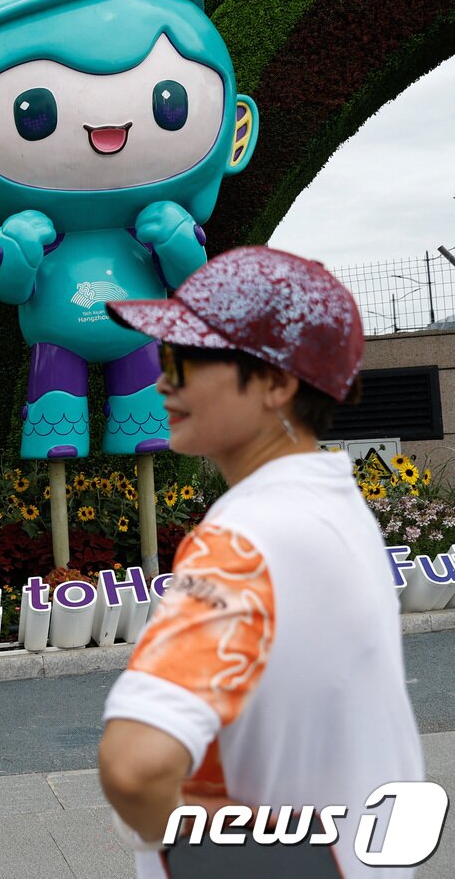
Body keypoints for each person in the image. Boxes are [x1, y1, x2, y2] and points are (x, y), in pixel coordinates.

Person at [96, 247, 424, 877]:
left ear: (277, 382)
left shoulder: (243, 538)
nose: (162, 382)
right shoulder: (335, 501)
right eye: (163, 358)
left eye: (185, 359)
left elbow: (134, 767)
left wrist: (168, 830)